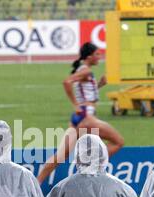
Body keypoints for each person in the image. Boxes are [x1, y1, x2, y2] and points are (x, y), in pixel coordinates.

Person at [37, 42, 124, 184]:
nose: (99, 56)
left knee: (60, 156)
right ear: (89, 57)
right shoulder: (86, 71)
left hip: (78, 118)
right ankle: (91, 168)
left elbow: (86, 93)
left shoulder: (84, 70)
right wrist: (75, 104)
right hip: (87, 117)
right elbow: (67, 82)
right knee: (118, 142)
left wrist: (100, 85)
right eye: (97, 54)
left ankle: (35, 183)